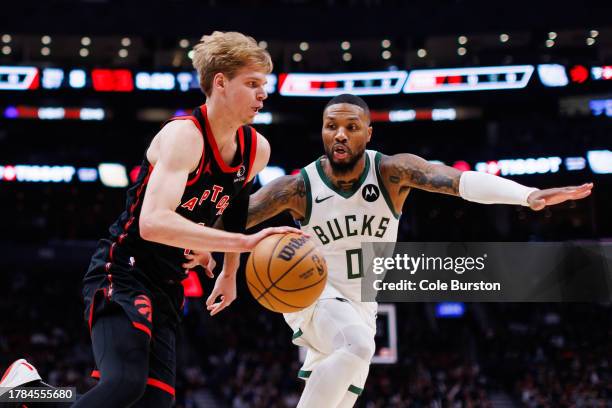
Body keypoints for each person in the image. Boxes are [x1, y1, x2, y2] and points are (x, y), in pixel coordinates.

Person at [0, 31, 300, 408]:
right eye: (253, 83)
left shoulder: (257, 149)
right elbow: (153, 222)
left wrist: (226, 270)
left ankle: (29, 394)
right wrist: (240, 244)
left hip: (169, 283)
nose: (263, 94)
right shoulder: (184, 137)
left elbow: (234, 210)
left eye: (264, 85)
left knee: (152, 402)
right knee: (124, 383)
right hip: (124, 271)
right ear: (220, 83)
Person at [241, 94, 593, 408]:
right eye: (331, 126)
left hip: (361, 304)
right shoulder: (298, 187)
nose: (340, 134)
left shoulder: (392, 172)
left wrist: (526, 195)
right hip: (312, 292)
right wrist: (212, 258)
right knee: (358, 346)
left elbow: (456, 181)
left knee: (343, 393)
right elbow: (229, 221)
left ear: (368, 132)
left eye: (351, 126)